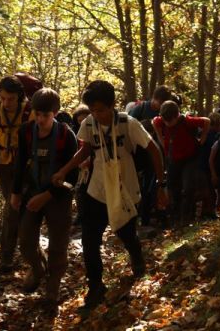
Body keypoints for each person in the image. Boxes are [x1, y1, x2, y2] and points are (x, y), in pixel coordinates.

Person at [51, 80, 167, 312]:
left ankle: (137, 258)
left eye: (101, 110)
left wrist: (161, 185)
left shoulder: (128, 123)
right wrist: (64, 170)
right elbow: (85, 149)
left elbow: (153, 149)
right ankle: (95, 286)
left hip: (124, 189)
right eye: (92, 110)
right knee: (90, 240)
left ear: (113, 105)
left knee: (126, 235)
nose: (96, 114)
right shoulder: (90, 123)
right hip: (97, 189)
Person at [10, 88, 78, 310]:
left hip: (57, 196)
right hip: (32, 191)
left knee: (58, 243)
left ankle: (53, 286)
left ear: (55, 113)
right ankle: (38, 269)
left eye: (45, 115)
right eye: (37, 114)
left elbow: (73, 176)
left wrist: (48, 195)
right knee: (26, 239)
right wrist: (16, 192)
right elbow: (19, 163)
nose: (40, 119)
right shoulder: (26, 132)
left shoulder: (67, 136)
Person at [0, 76, 29, 272]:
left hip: (27, 165)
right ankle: (12, 255)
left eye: (10, 99)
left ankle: (11, 255)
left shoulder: (29, 112)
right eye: (2, 98)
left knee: (18, 206)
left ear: (19, 97)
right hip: (4, 164)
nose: (6, 103)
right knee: (13, 206)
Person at [152, 100, 210, 226]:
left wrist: (203, 138)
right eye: (165, 121)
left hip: (190, 158)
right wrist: (162, 141)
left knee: (188, 188)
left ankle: (187, 218)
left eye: (170, 121)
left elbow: (206, 121)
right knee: (173, 188)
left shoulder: (187, 121)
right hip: (173, 159)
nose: (168, 124)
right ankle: (175, 218)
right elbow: (154, 122)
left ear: (177, 116)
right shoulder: (161, 120)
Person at [128, 85, 171, 226]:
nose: (160, 106)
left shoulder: (164, 112)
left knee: (152, 186)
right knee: (133, 186)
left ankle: (147, 218)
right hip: (136, 154)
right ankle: (132, 217)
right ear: (154, 98)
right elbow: (126, 127)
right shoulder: (140, 109)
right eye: (159, 102)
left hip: (153, 155)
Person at [197, 112, 220, 219]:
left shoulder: (204, 133)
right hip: (207, 166)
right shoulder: (214, 135)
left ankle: (205, 212)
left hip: (202, 165)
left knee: (207, 191)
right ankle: (209, 212)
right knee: (210, 191)